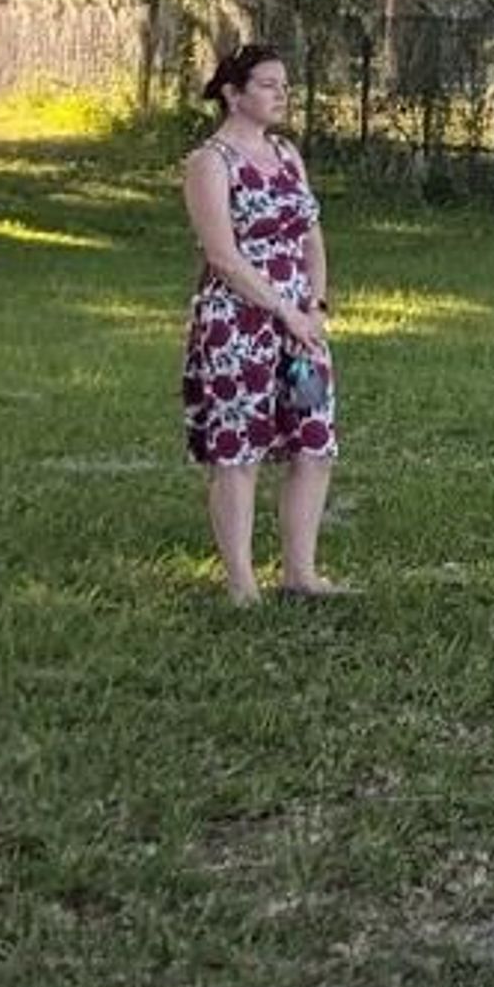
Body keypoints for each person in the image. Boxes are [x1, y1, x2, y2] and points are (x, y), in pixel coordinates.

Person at [179, 39, 344, 605]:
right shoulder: (210, 162)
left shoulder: (288, 154)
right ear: (232, 93)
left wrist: (314, 308)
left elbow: (311, 237)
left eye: (285, 86)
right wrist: (283, 311)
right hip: (238, 324)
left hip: (301, 323)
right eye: (268, 86)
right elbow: (223, 257)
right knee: (238, 451)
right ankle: (243, 584)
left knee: (314, 443)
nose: (281, 95)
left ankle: (301, 571)